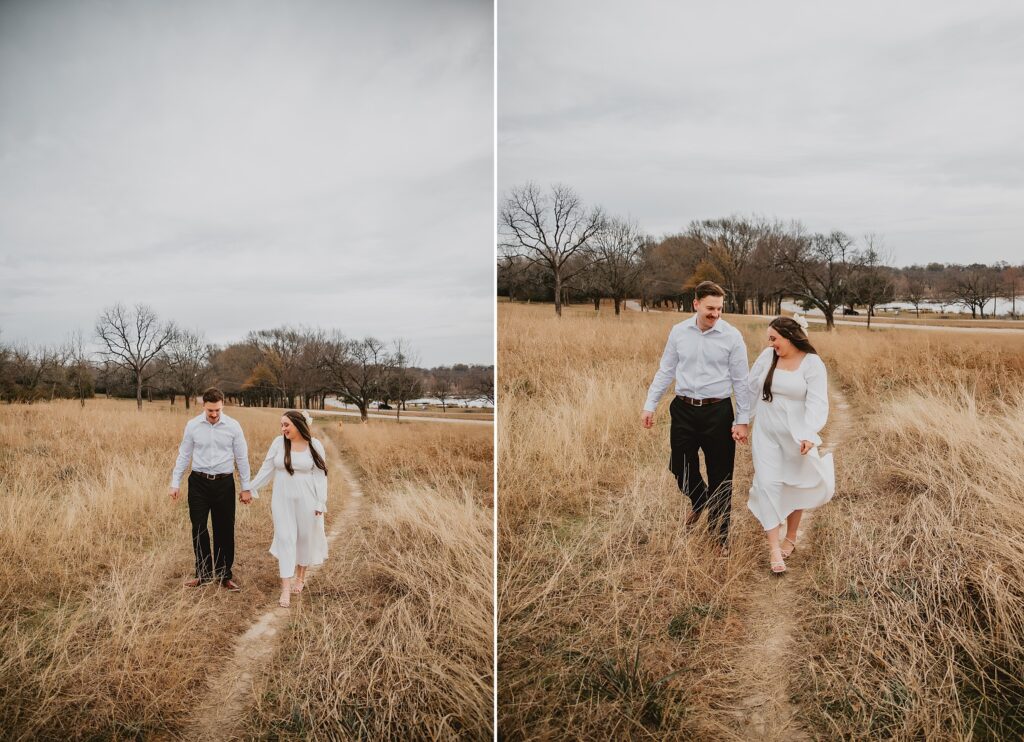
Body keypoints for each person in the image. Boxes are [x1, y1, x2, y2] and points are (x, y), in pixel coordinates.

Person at [641, 281, 752, 555]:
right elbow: (666, 370)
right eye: (710, 308)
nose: (715, 314)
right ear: (696, 304)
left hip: (718, 411)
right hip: (684, 409)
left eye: (719, 308)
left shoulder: (732, 337)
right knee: (679, 465)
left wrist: (742, 419)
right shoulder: (679, 332)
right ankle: (700, 499)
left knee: (721, 475)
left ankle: (720, 535)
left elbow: (741, 381)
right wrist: (649, 404)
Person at [745, 315, 835, 574]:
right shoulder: (768, 357)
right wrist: (743, 421)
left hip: (795, 434)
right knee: (768, 483)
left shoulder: (812, 363)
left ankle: (791, 537)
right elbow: (752, 389)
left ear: (790, 336)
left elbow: (818, 402)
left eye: (774, 338)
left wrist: (809, 434)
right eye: (769, 339)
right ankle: (774, 547)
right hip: (766, 432)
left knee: (795, 482)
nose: (771, 343)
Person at [169, 387, 252, 591]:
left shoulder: (233, 426)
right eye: (210, 411)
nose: (214, 415)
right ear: (203, 406)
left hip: (224, 483)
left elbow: (242, 458)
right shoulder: (193, 426)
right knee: (199, 527)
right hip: (198, 482)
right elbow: (184, 455)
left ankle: (224, 575)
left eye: (217, 410)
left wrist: (246, 487)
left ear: (222, 405)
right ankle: (203, 574)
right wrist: (175, 482)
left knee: (224, 529)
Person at [249, 410, 329, 608]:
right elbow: (266, 469)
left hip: (307, 499)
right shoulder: (278, 443)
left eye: (286, 425)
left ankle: (300, 577)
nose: (283, 428)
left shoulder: (314, 445)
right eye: (281, 425)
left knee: (304, 537)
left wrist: (321, 502)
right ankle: (285, 588)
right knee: (285, 538)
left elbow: (320, 475)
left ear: (298, 424)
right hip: (282, 499)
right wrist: (250, 488)